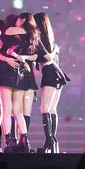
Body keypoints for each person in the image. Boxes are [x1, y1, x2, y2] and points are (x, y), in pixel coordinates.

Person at [0, 12, 39, 153]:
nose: (17, 20)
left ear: (23, 20)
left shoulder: (9, 31)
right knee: (18, 111)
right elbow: (35, 55)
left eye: (19, 18)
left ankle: (8, 141)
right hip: (21, 74)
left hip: (7, 72)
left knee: (7, 110)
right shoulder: (32, 34)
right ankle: (24, 141)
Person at [34, 12, 70, 153]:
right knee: (52, 109)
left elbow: (47, 57)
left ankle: (49, 140)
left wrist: (53, 51)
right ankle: (52, 140)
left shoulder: (40, 39)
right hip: (57, 73)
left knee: (44, 109)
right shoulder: (51, 39)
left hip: (50, 72)